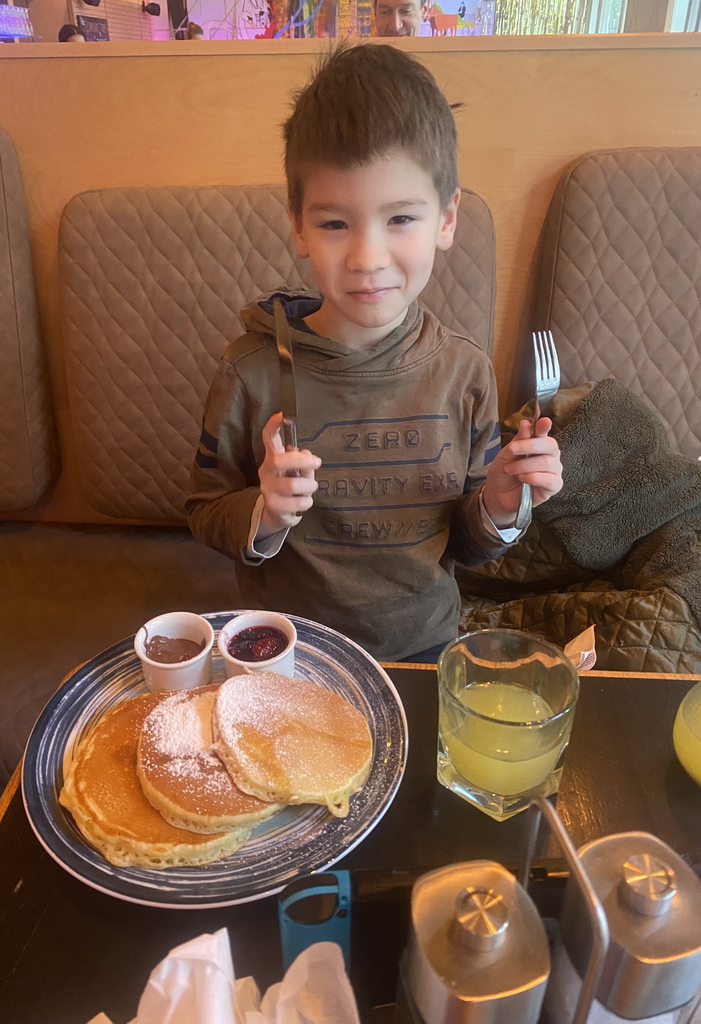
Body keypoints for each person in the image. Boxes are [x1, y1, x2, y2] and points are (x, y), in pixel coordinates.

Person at [186, 43, 562, 662]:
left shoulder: (464, 374)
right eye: (335, 224)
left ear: (446, 219)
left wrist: (498, 502)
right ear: (299, 227)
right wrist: (265, 513)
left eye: (401, 219)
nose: (366, 257)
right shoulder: (248, 373)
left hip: (421, 647)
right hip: (290, 653)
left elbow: (465, 544)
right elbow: (203, 510)